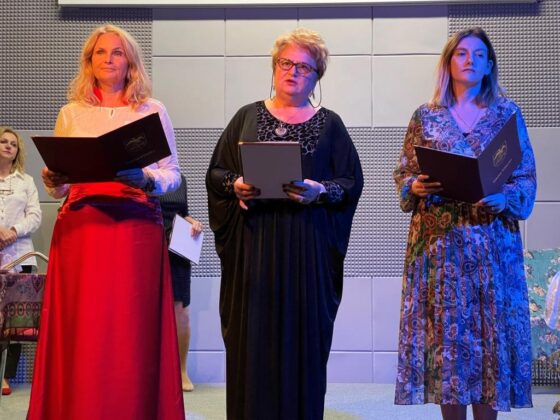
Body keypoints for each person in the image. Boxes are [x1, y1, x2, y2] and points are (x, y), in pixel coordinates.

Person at [27, 25, 185, 420]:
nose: (109, 59)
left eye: (117, 52)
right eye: (100, 52)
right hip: (81, 229)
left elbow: (172, 175)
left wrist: (145, 178)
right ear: (89, 62)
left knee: (129, 328)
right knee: (83, 327)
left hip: (134, 228)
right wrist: (54, 180)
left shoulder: (151, 109)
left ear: (130, 62)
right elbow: (61, 187)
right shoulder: (71, 112)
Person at [206, 28, 363, 419]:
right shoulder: (245, 116)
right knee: (252, 339)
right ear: (274, 67)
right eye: (286, 63)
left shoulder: (331, 124)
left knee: (302, 341)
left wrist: (319, 190)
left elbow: (351, 182)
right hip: (254, 249)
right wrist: (235, 184)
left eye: (304, 67)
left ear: (317, 75)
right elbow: (215, 173)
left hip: (306, 250)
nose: (293, 72)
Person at [393, 27, 536, 420]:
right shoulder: (426, 116)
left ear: (489, 65)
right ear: (449, 62)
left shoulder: (507, 115)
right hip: (440, 248)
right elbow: (404, 172)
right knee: (448, 345)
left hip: (492, 245)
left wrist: (507, 198)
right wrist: (415, 185)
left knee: (489, 342)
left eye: (479, 54)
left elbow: (525, 176)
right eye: (461, 53)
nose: (470, 60)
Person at [0, 127, 42, 396]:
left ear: (18, 151)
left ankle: (6, 377)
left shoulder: (26, 181)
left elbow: (35, 216)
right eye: (3, 142)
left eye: (13, 144)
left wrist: (13, 231)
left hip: (22, 255)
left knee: (16, 321)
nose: (8, 146)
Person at [159, 173, 202, 392]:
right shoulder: (139, 176)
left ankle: (181, 370)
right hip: (150, 240)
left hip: (177, 245)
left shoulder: (178, 178)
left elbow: (182, 213)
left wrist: (193, 222)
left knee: (181, 310)